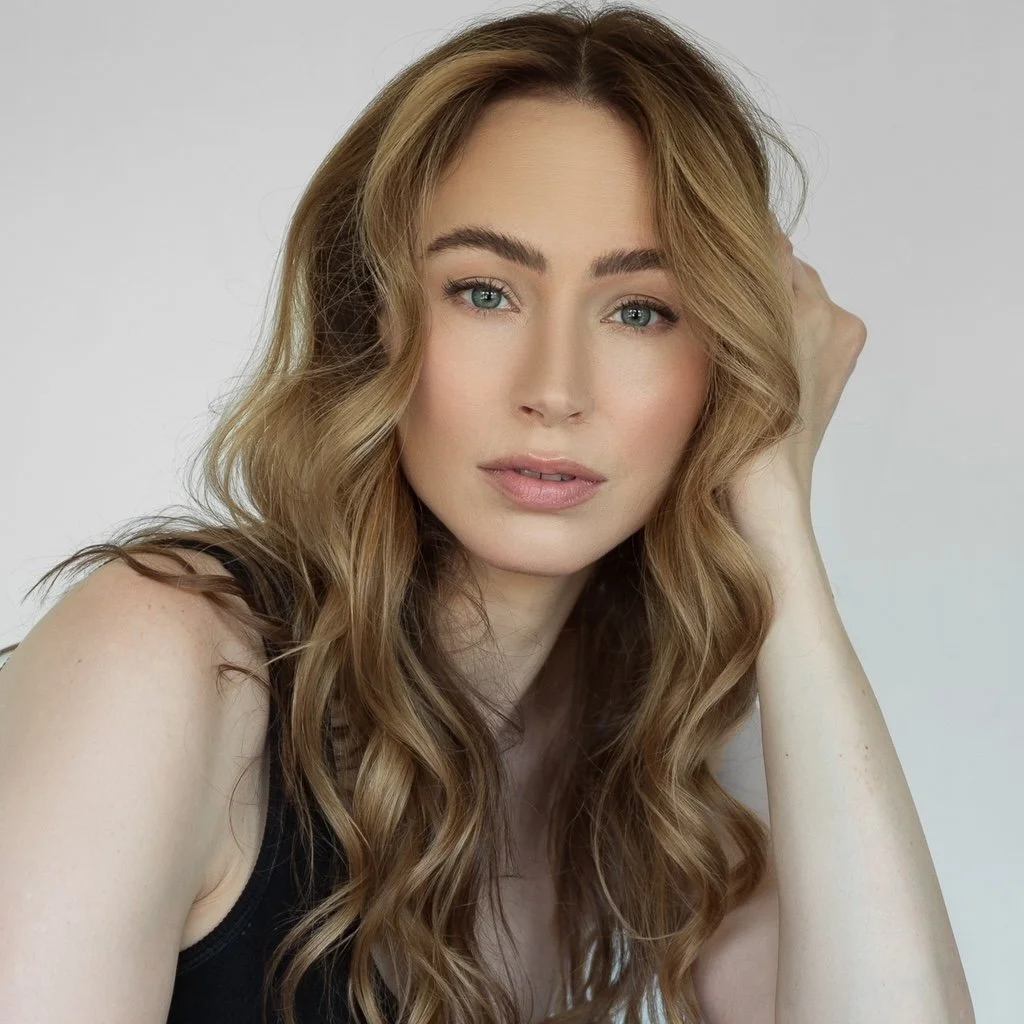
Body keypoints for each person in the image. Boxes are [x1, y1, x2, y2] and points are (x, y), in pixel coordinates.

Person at [0, 4, 974, 1024]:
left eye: (640, 309)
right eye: (484, 292)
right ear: (372, 315)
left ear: (721, 358)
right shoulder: (169, 662)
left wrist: (775, 507)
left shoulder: (661, 725)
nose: (554, 389)